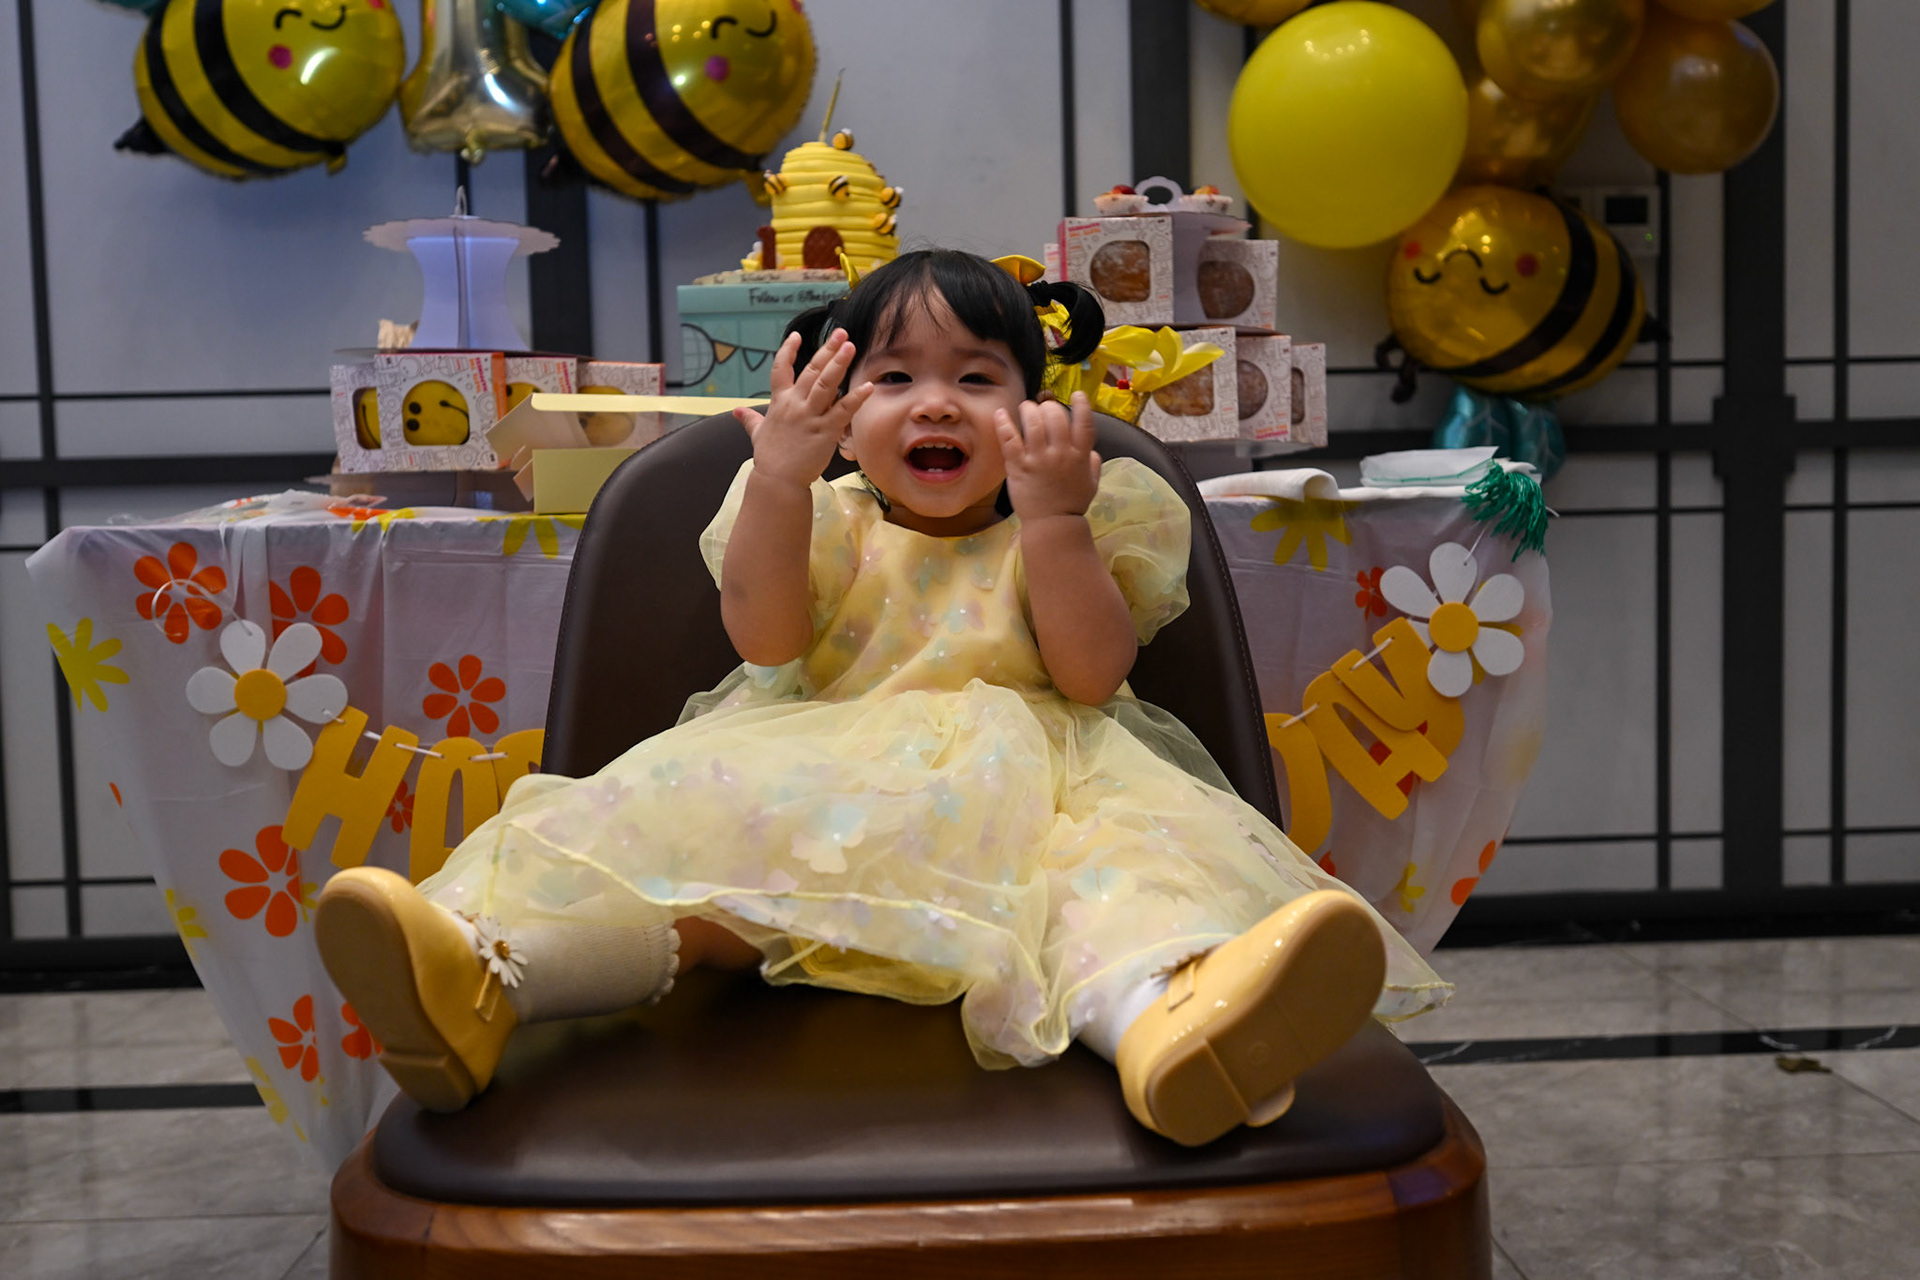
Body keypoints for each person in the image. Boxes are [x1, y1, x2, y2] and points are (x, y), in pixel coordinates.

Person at [315, 249, 1449, 1147]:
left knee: (1108, 893)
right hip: (822, 785)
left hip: (1039, 793)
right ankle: (487, 975)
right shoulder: (827, 516)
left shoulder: (1082, 515)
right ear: (844, 415)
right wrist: (779, 477)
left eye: (977, 378)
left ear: (1035, 409)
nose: (934, 405)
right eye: (894, 379)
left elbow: (1092, 675)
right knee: (687, 893)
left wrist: (1056, 520)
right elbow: (764, 637)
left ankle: (1176, 1031)